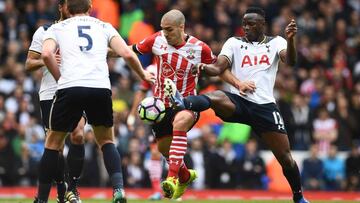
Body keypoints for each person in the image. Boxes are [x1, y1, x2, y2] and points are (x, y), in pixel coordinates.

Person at [165, 7, 310, 203]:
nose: (246, 28)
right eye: (244, 24)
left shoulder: (277, 42)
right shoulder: (234, 43)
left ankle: (298, 197)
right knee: (216, 95)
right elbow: (217, 68)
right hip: (239, 102)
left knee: (285, 158)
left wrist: (291, 40)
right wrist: (201, 67)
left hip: (264, 107)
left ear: (262, 25)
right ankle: (183, 102)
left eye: (251, 24)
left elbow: (291, 61)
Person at [35, 0, 154, 202]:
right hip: (100, 87)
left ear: (67, 9)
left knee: (53, 143)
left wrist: (60, 78)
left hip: (70, 87)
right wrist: (143, 75)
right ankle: (118, 190)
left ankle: (43, 199)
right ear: (90, 9)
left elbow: (46, 54)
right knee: (107, 141)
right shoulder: (104, 26)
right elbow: (126, 52)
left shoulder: (57, 28)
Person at [131, 9, 216, 199]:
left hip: (187, 103)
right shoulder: (156, 40)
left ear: (181, 27)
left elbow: (218, 68)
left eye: (169, 30)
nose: (165, 33)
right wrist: (102, 52)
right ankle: (185, 175)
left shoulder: (200, 48)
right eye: (163, 29)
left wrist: (237, 83)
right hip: (161, 107)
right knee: (163, 149)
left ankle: (171, 178)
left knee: (180, 123)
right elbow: (129, 50)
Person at [25, 1, 85, 202]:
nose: (72, 8)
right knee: (56, 146)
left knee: (78, 134)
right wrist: (47, 59)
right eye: (69, 5)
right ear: (61, 7)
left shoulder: (84, 30)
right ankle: (62, 189)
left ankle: (73, 189)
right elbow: (29, 63)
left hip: (76, 89)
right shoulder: (45, 31)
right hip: (51, 92)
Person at [126, 63, 163, 200]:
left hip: (176, 114)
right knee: (155, 152)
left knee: (173, 152)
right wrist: (131, 114)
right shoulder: (152, 70)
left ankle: (175, 186)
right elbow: (141, 90)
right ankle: (157, 190)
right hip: (157, 117)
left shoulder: (179, 62)